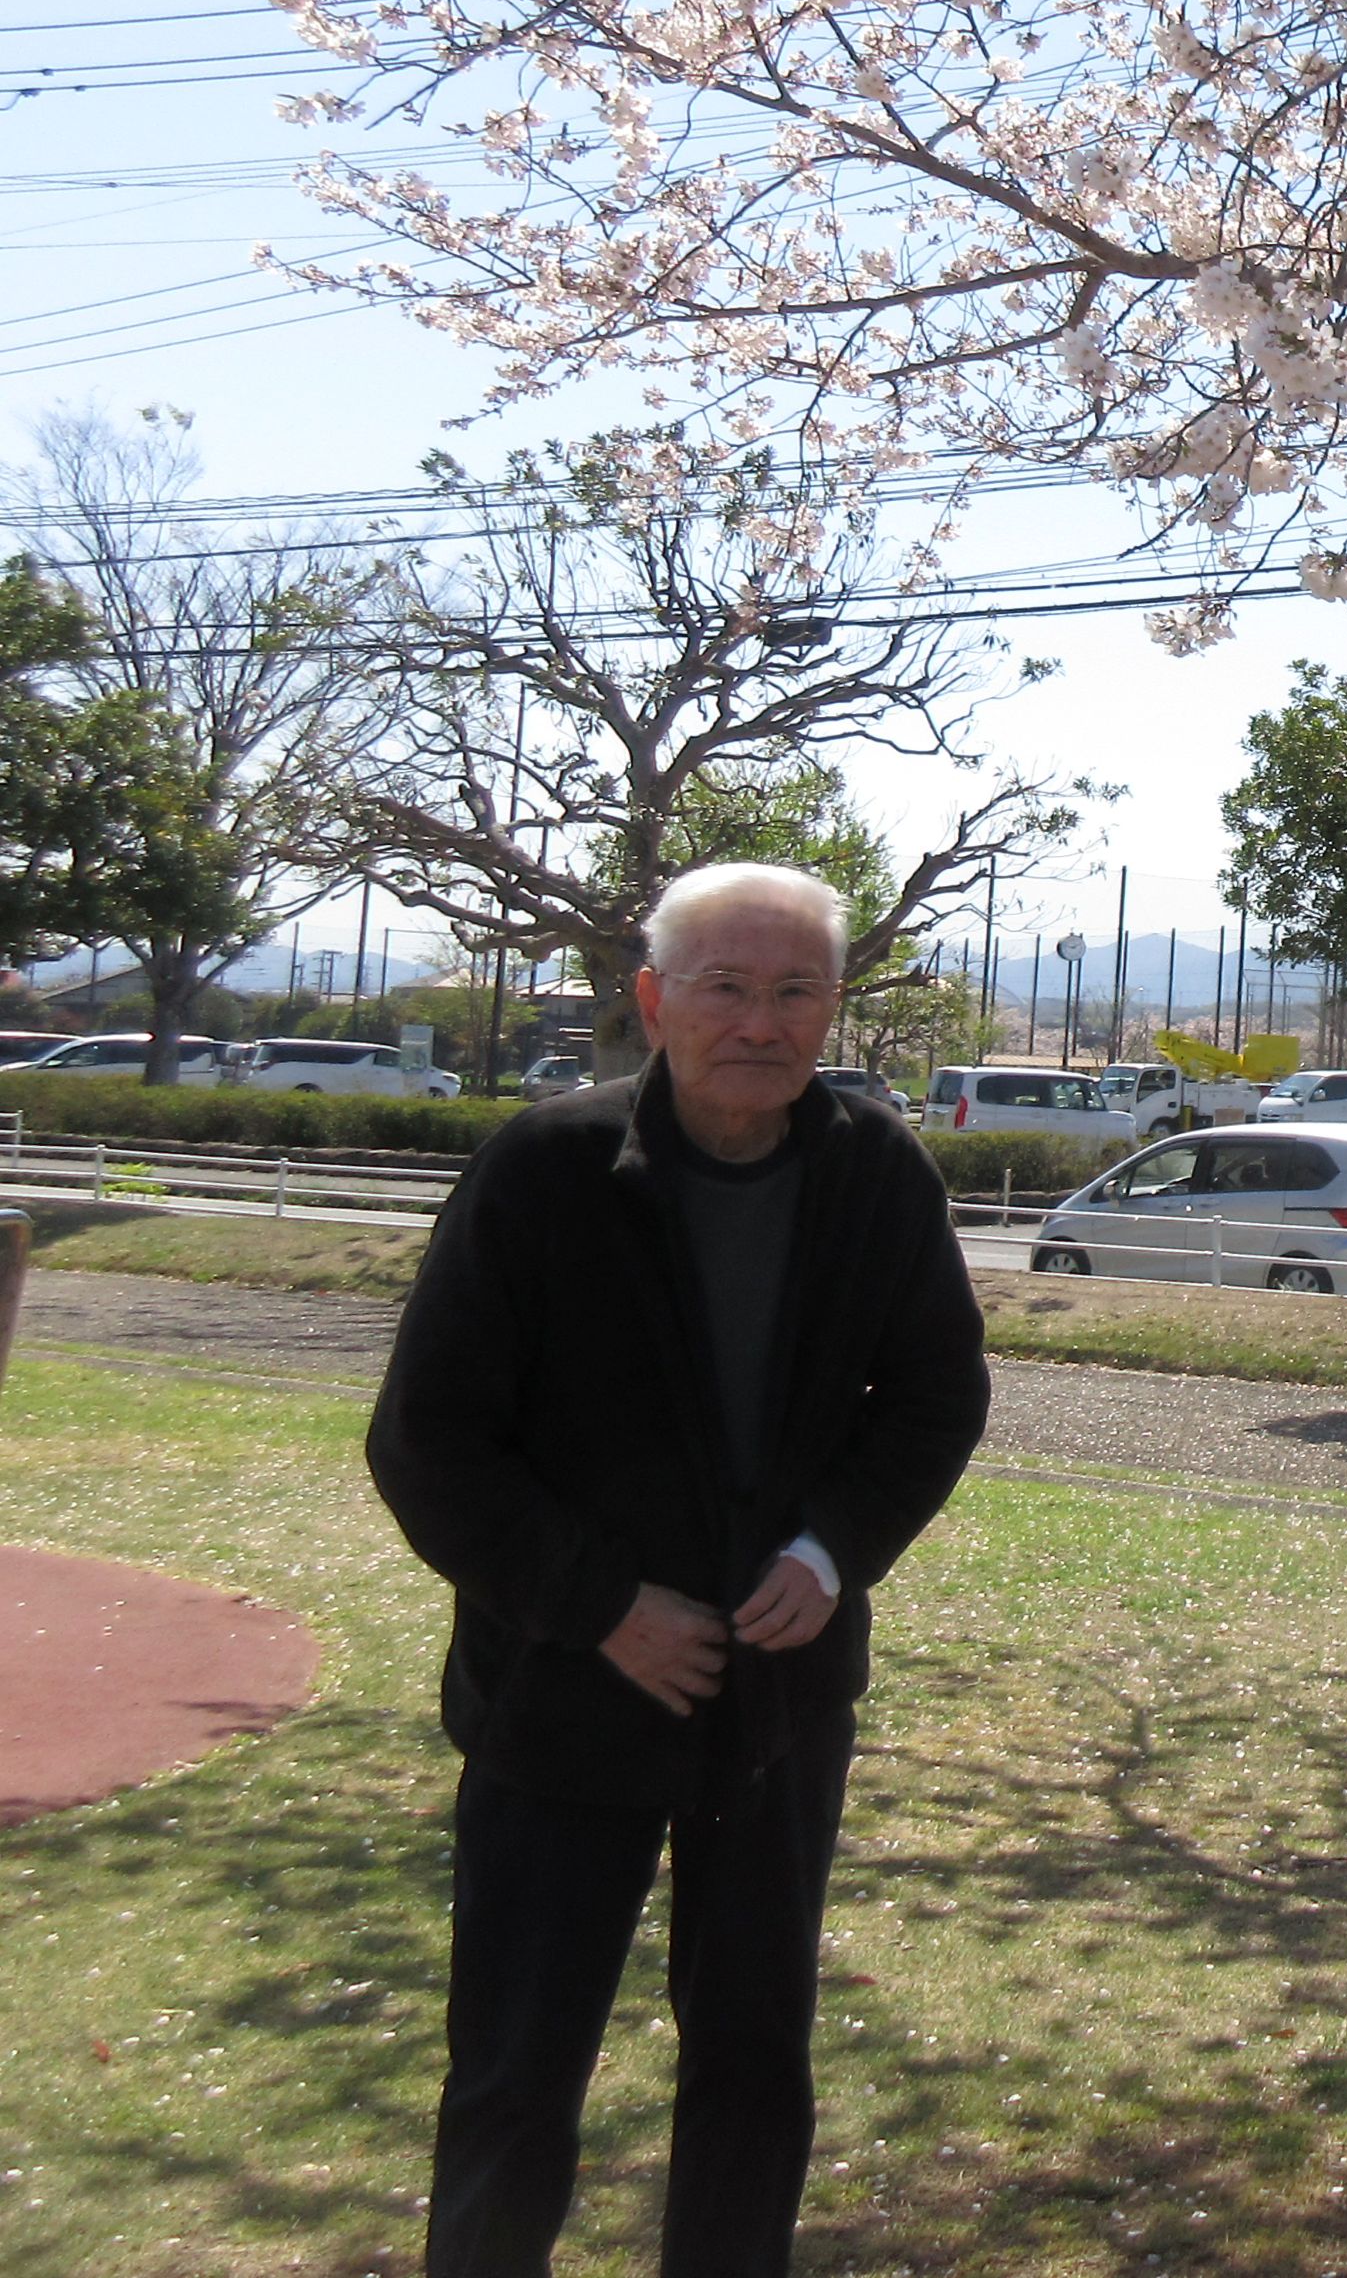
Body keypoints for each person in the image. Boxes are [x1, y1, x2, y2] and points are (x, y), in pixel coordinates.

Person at [366, 860, 990, 2278]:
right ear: (655, 1001)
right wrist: (597, 1608)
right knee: (517, 2075)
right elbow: (428, 1441)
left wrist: (834, 1552)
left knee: (756, 2065)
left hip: (778, 1699)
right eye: (725, 986)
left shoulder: (876, 1174)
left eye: (794, 992)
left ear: (834, 1011)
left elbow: (936, 1402)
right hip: (562, 1700)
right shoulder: (542, 1171)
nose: (759, 1023)